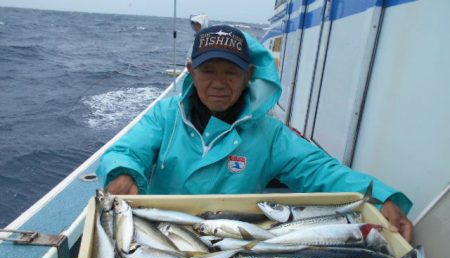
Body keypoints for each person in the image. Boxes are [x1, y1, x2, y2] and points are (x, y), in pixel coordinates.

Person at [97, 25, 413, 242]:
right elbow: (128, 151)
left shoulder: (270, 134)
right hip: (156, 233)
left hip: (233, 242)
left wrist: (379, 197)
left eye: (231, 72)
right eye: (208, 71)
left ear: (248, 75)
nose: (218, 83)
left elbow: (320, 170)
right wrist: (124, 172)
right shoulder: (165, 116)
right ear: (191, 71)